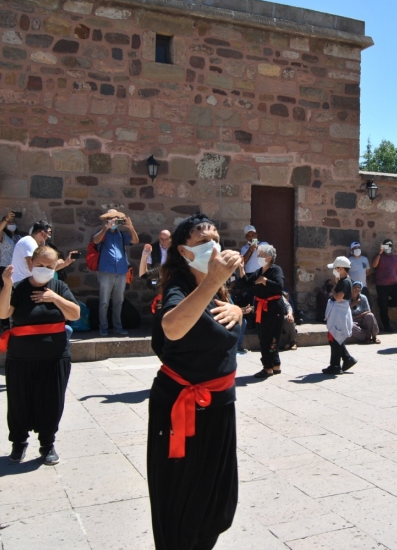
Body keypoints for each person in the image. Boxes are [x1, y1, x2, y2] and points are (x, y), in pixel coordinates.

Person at [148, 213, 243, 550]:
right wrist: (211, 281)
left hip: (219, 406)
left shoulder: (222, 285)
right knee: (181, 502)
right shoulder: (180, 286)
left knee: (217, 500)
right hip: (181, 409)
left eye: (216, 238)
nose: (213, 246)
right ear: (184, 252)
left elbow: (221, 330)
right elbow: (172, 327)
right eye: (202, 242)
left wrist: (239, 311)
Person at [0, 245, 81, 465]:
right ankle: (18, 442)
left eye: (49, 266)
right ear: (31, 264)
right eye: (40, 265)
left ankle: (47, 443)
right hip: (21, 356)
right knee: (19, 401)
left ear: (56, 267)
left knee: (51, 400)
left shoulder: (59, 286)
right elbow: (2, 312)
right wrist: (6, 286)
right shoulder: (20, 288)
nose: (44, 269)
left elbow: (75, 314)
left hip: (54, 355)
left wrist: (55, 298)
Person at [241, 244, 286, 379]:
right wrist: (241, 267)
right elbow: (247, 283)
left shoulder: (276, 270)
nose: (259, 257)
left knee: (270, 337)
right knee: (264, 336)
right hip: (261, 307)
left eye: (261, 255)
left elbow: (279, 287)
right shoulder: (259, 271)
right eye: (259, 255)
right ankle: (275, 364)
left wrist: (266, 281)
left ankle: (268, 367)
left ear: (270, 257)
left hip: (274, 308)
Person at [92, 209, 138, 337]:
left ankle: (117, 327)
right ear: (106, 220)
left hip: (121, 271)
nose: (113, 221)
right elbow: (95, 241)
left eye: (116, 219)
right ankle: (103, 327)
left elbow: (135, 240)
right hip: (106, 271)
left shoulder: (121, 235)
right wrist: (105, 229)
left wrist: (130, 227)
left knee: (119, 301)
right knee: (104, 301)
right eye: (111, 219)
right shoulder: (101, 233)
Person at [323, 256, 357, 374]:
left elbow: (338, 298)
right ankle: (347, 359)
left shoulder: (345, 282)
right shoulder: (344, 281)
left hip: (339, 312)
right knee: (336, 337)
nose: (335, 270)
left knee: (335, 338)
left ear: (341, 269)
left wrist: (332, 289)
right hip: (338, 312)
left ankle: (335, 365)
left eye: (336, 268)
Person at [371, 239, 397, 333]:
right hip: (381, 285)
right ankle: (387, 326)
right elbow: (374, 265)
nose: (388, 247)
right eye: (386, 246)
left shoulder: (395, 258)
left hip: (393, 285)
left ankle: (383, 304)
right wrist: (380, 253)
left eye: (390, 246)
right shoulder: (379, 256)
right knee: (383, 309)